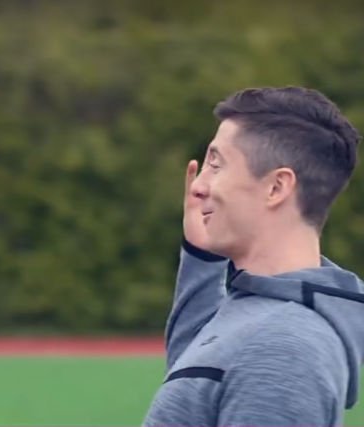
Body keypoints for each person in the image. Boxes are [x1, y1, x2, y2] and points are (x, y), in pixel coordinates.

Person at [144, 87, 364, 426]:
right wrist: (201, 258)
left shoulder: (284, 349)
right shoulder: (261, 313)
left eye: (216, 165)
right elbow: (192, 376)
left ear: (276, 187)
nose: (198, 186)